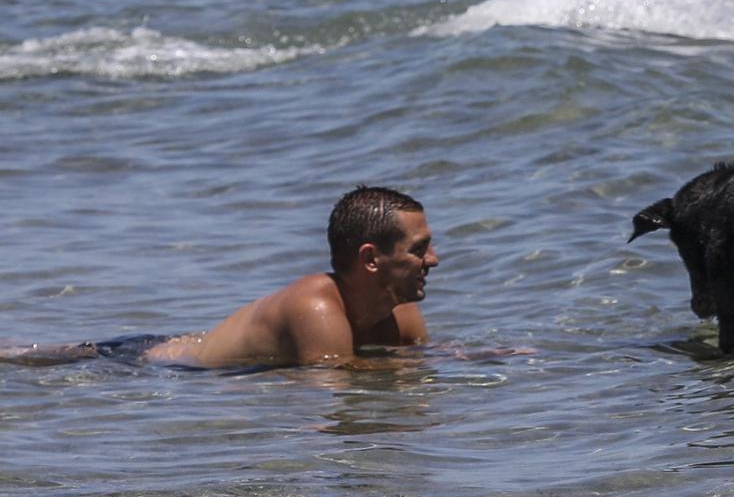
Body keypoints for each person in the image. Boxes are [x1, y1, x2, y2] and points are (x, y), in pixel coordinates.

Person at [5, 186, 436, 369]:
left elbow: (413, 363)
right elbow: (335, 385)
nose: (433, 260)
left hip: (190, 350)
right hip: (149, 365)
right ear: (370, 259)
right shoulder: (316, 305)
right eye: (418, 249)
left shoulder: (403, 315)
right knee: (32, 360)